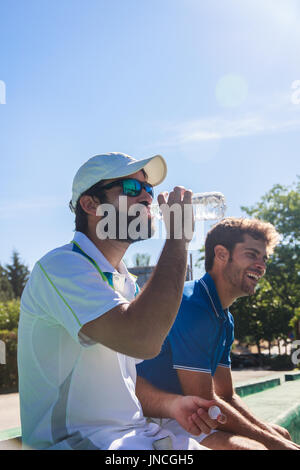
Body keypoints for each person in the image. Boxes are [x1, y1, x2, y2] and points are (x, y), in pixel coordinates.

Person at [17, 152, 218, 450]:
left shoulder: (125, 282)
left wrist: (172, 404)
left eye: (148, 190)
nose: (147, 199)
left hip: (131, 437)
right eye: (131, 189)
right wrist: (178, 236)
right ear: (90, 204)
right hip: (75, 444)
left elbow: (126, 381)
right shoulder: (61, 266)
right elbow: (143, 340)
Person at [137, 217, 300, 450]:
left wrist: (275, 437)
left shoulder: (224, 318)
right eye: (252, 255)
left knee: (280, 434)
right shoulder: (192, 304)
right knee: (260, 447)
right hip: (154, 416)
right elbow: (207, 403)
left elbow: (227, 395)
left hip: (190, 415)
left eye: (264, 258)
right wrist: (273, 443)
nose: (261, 265)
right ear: (222, 254)